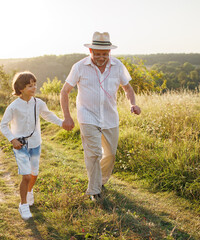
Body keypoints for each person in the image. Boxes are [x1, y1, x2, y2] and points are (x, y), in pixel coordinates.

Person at [60, 32, 141, 201]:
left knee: (110, 154)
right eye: (97, 53)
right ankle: (94, 190)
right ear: (90, 50)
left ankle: (100, 180)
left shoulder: (118, 66)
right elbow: (64, 92)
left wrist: (132, 103)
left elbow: (128, 89)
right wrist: (67, 117)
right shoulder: (79, 67)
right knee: (94, 153)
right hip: (87, 116)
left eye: (104, 53)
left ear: (109, 53)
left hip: (110, 117)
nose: (101, 57)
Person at [0, 71, 64, 220]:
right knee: (27, 176)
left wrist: (61, 123)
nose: (34, 88)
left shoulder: (39, 103)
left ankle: (29, 192)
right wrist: (12, 140)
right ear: (20, 88)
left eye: (35, 85)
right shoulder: (13, 106)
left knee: (34, 174)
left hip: (35, 144)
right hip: (20, 146)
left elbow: (48, 115)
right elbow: (3, 125)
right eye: (30, 86)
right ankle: (23, 206)